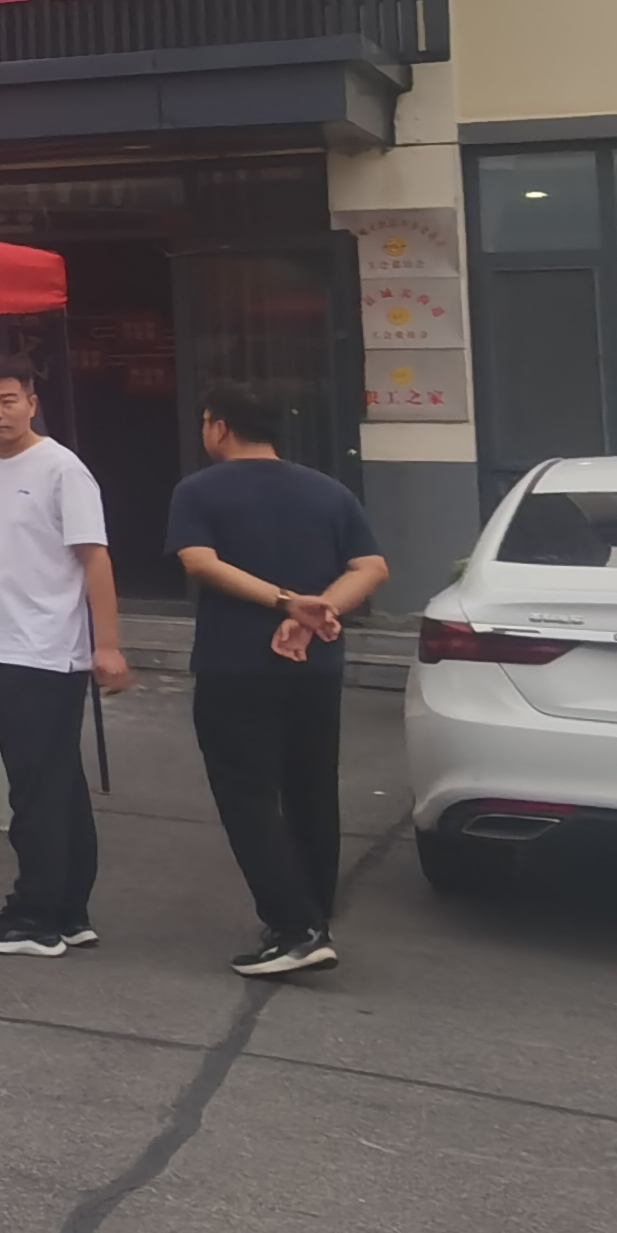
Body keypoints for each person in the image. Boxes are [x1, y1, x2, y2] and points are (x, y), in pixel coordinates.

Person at [167, 384, 387, 979]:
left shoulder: (199, 489)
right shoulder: (328, 490)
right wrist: (320, 612)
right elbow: (371, 566)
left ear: (218, 426)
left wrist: (288, 604)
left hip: (235, 665)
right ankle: (313, 913)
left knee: (248, 796)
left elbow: (199, 561)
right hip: (315, 667)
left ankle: (296, 928)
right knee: (311, 788)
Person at [0, 354, 129, 957]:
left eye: (8, 400)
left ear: (32, 402)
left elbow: (94, 558)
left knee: (35, 789)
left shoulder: (61, 469)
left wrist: (107, 645)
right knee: (58, 784)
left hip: (51, 648)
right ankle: (70, 911)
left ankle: (35, 916)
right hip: (8, 645)